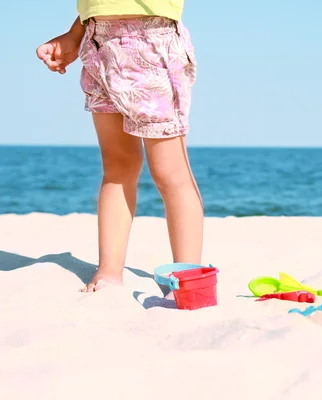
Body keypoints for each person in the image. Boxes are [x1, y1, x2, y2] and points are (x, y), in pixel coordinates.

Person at [35, 1, 204, 292]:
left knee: (169, 171)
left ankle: (188, 277)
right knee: (117, 165)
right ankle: (110, 270)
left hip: (153, 39)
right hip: (97, 43)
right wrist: (74, 35)